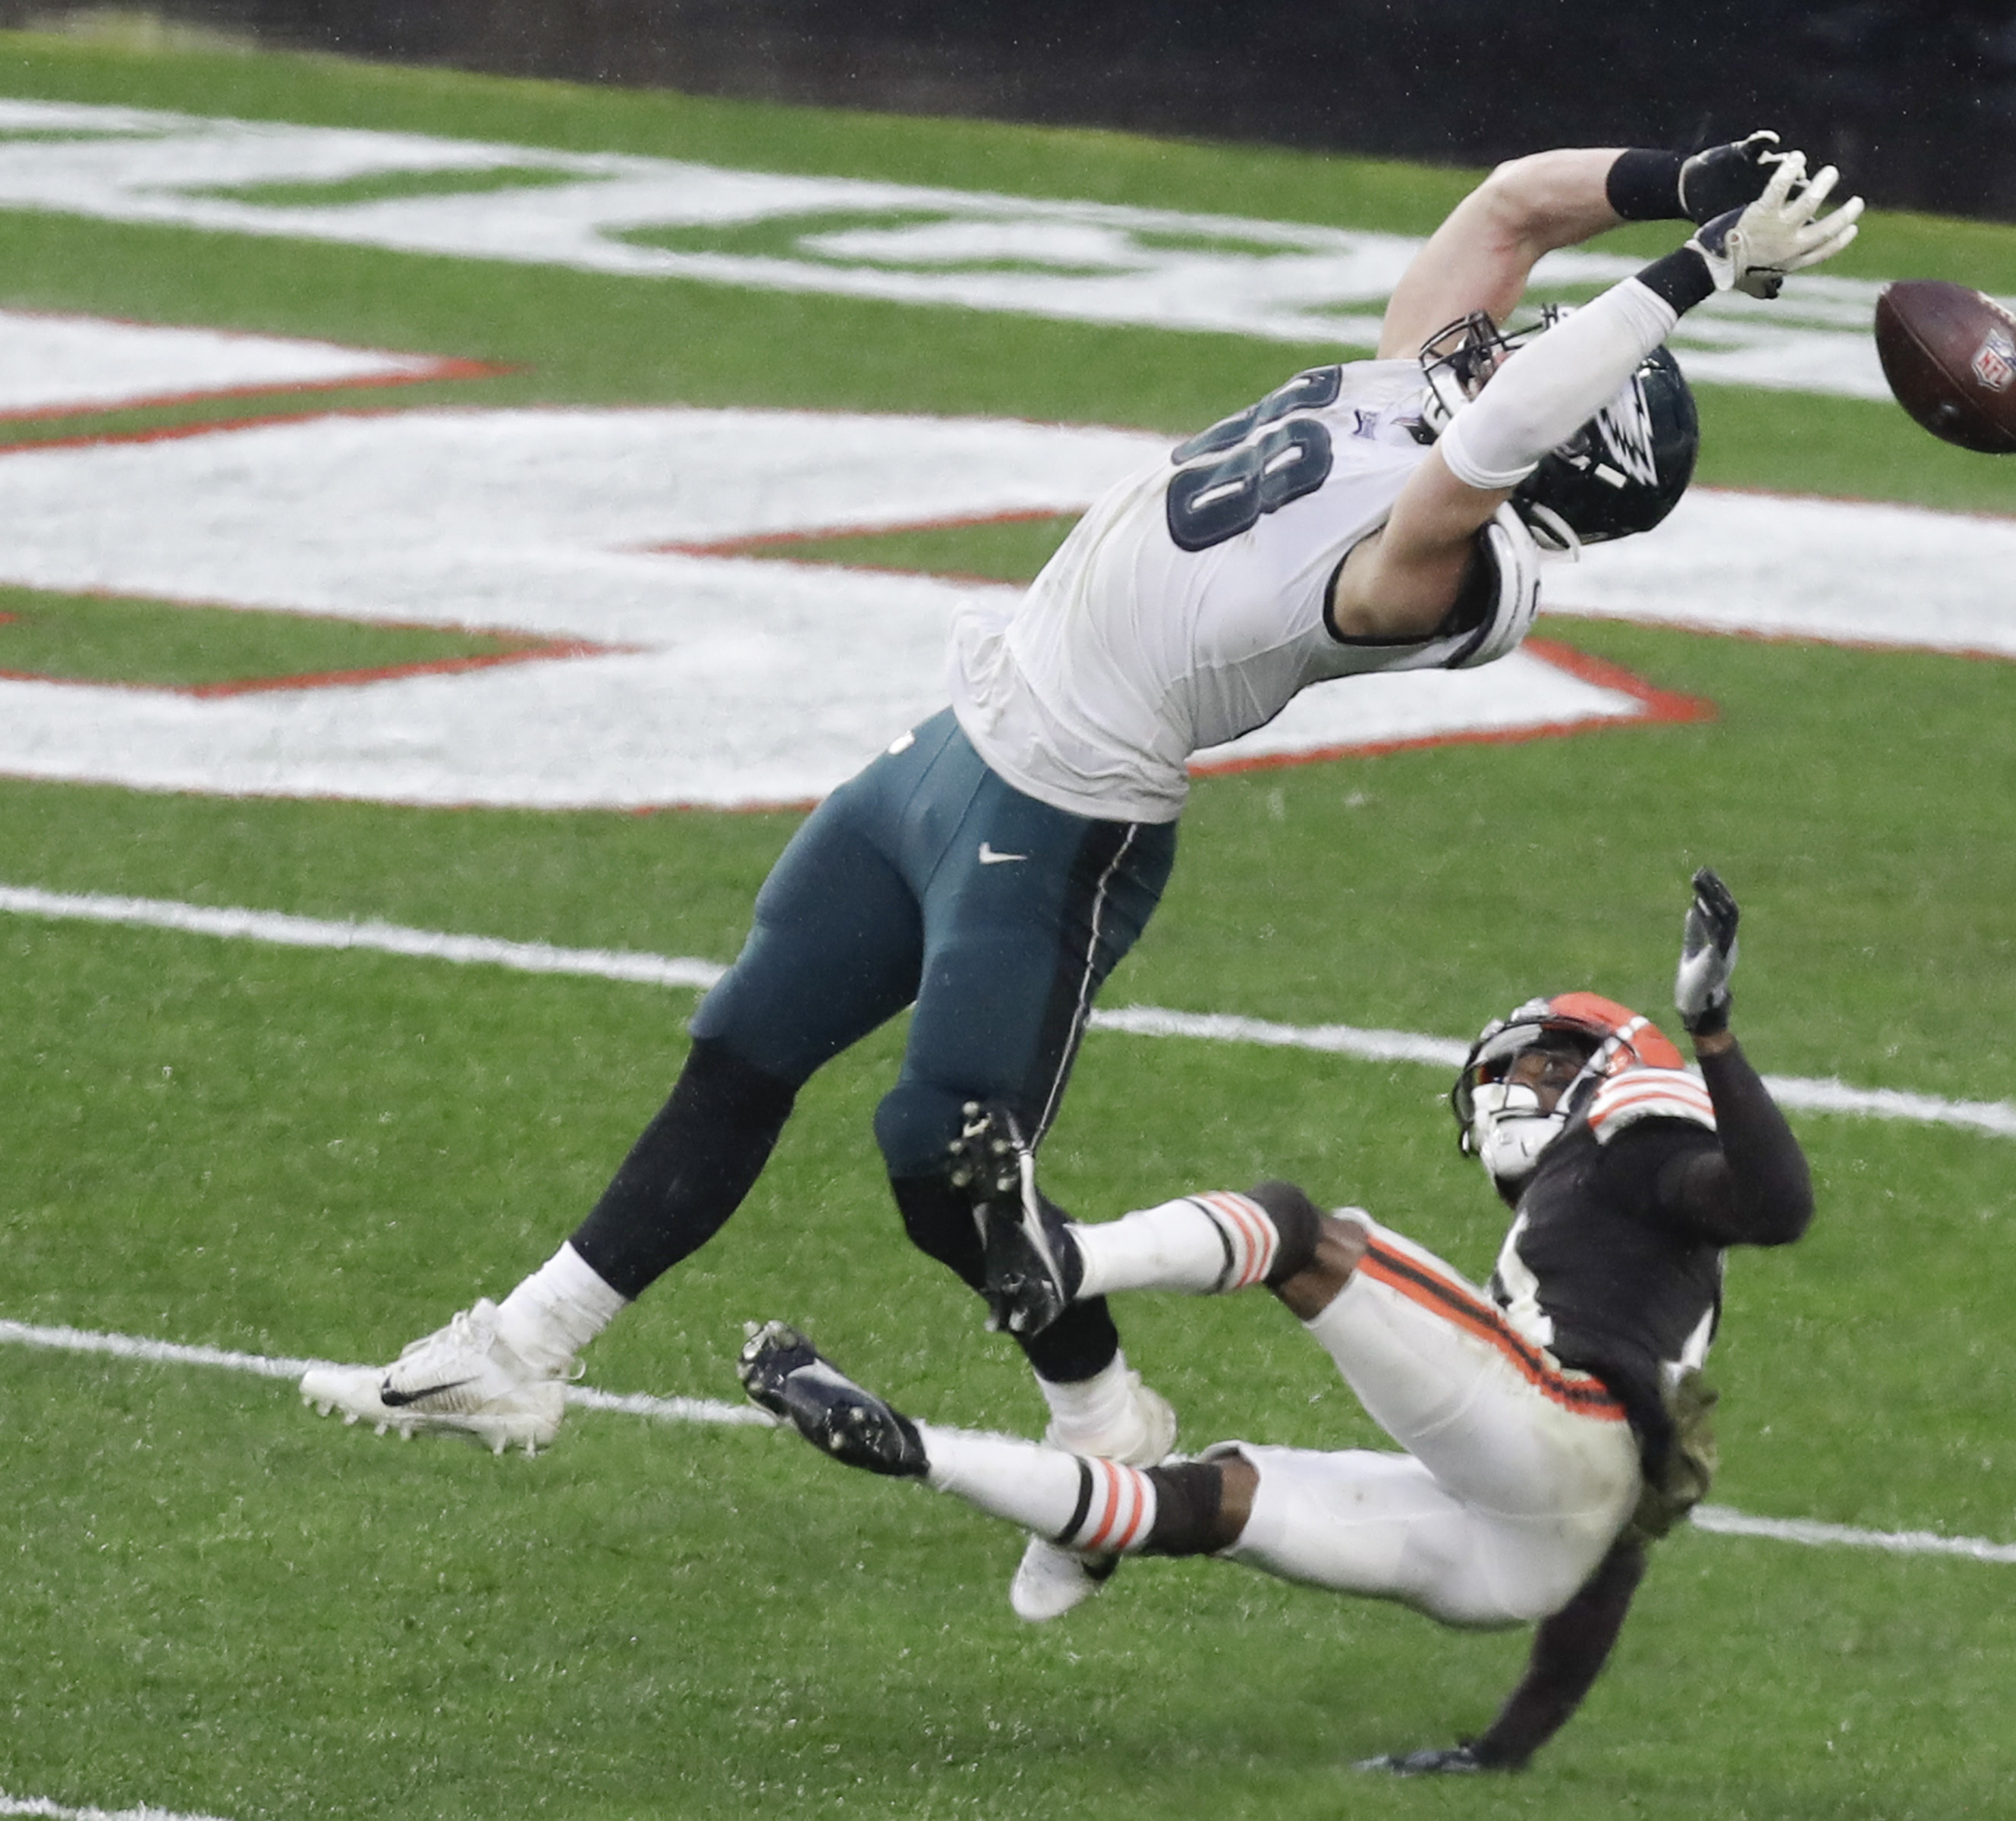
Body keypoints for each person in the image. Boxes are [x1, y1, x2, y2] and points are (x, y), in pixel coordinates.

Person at [299, 135, 1859, 1621]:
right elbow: (1513, 207)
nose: (1505, 345)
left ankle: (1104, 1424)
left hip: (1065, 815)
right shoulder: (1434, 386)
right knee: (744, 1039)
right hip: (963, 737)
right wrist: (1687, 178)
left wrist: (1698, 266)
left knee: (943, 1156)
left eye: (1542, 364)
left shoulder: (1457, 570)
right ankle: (522, 1348)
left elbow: (1478, 454)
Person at [737, 870, 1816, 1772]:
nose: (1505, 1088)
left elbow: (1777, 1206)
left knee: (1305, 1233)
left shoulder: (1641, 1147)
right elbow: (1618, 1535)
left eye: (1538, 1062)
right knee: (1209, 1500)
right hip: (1530, 1554)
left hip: (1551, 1434)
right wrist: (1505, 1753)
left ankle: (1063, 1263)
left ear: (1606, 1072)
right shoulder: (1633, 1260)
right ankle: (915, 1451)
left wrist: (1711, 1033)